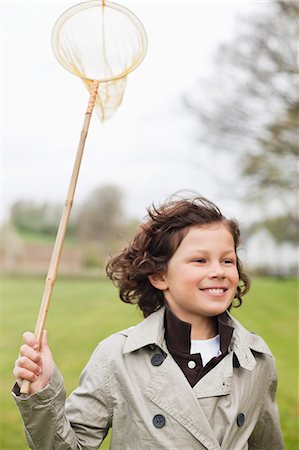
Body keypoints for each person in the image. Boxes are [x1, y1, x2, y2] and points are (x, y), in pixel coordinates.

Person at [12, 194, 285, 450]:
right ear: (159, 276)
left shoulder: (256, 361)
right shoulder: (116, 358)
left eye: (227, 260)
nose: (218, 271)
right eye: (200, 260)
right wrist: (43, 391)